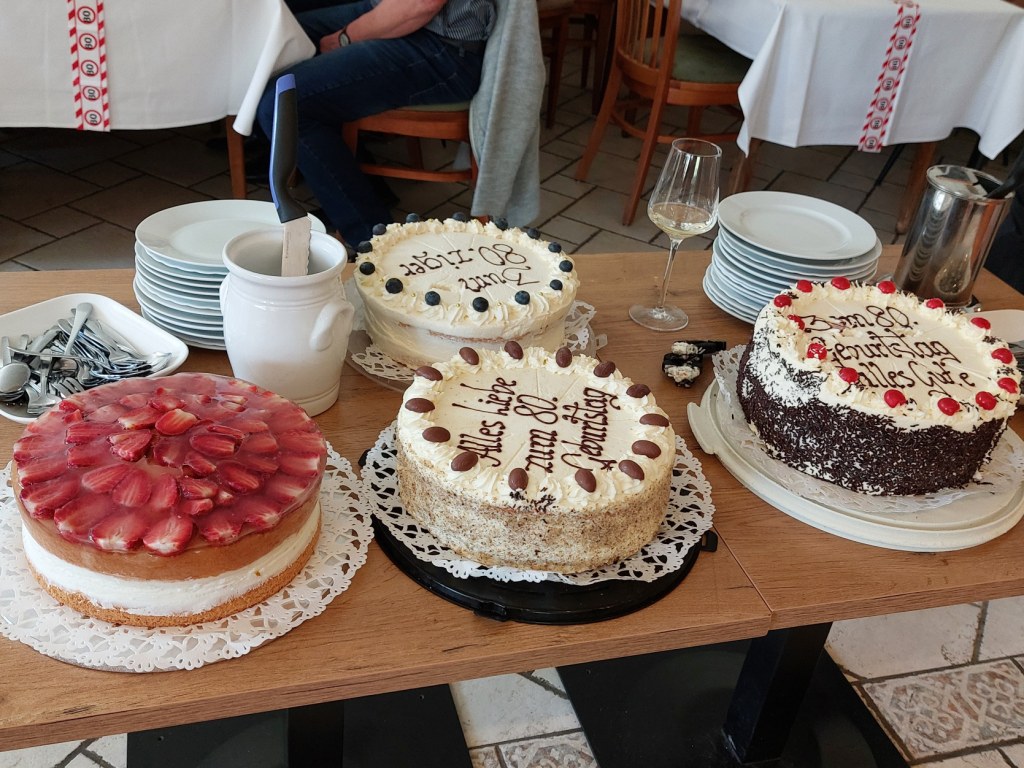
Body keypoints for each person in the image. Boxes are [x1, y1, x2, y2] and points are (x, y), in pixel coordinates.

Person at [256, 0, 497, 245]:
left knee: (283, 105)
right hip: (400, 13)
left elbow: (420, 5)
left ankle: (372, 239)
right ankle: (367, 188)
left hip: (445, 47)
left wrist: (344, 38)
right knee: (272, 38)